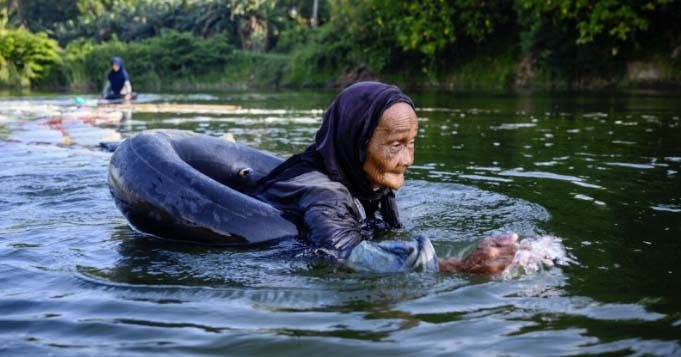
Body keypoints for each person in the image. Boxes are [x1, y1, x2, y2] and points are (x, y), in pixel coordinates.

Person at [252, 81, 518, 274]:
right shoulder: (325, 195)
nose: (408, 159)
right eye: (395, 145)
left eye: (411, 142)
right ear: (356, 141)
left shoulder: (365, 182)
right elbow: (347, 256)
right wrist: (459, 267)